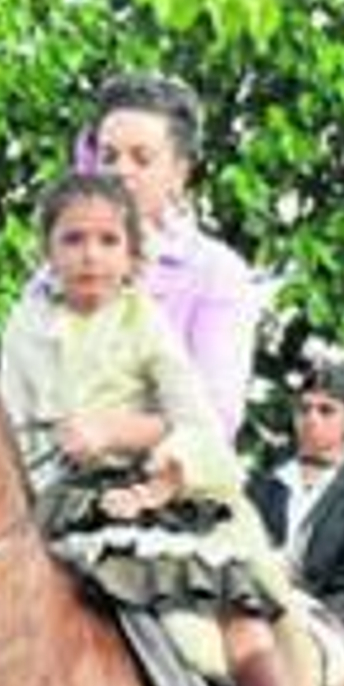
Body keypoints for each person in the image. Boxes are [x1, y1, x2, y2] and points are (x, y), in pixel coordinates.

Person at [0, 170, 344, 686]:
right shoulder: (23, 329)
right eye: (72, 240)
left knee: (219, 623)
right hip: (57, 511)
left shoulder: (145, 323)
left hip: (160, 499)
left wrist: (131, 445)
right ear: (47, 251)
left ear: (132, 255)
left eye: (106, 241)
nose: (89, 256)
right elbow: (12, 434)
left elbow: (197, 426)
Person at [77, 72, 264, 441]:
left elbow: (216, 417)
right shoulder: (54, 272)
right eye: (108, 157)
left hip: (170, 485)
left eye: (141, 158)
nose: (120, 172)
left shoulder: (217, 274)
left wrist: (112, 433)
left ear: (179, 172)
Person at [249, 359, 344, 629]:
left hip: (317, 629)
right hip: (247, 610)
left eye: (326, 411)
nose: (311, 419)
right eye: (304, 409)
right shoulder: (260, 485)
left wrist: (301, 619)